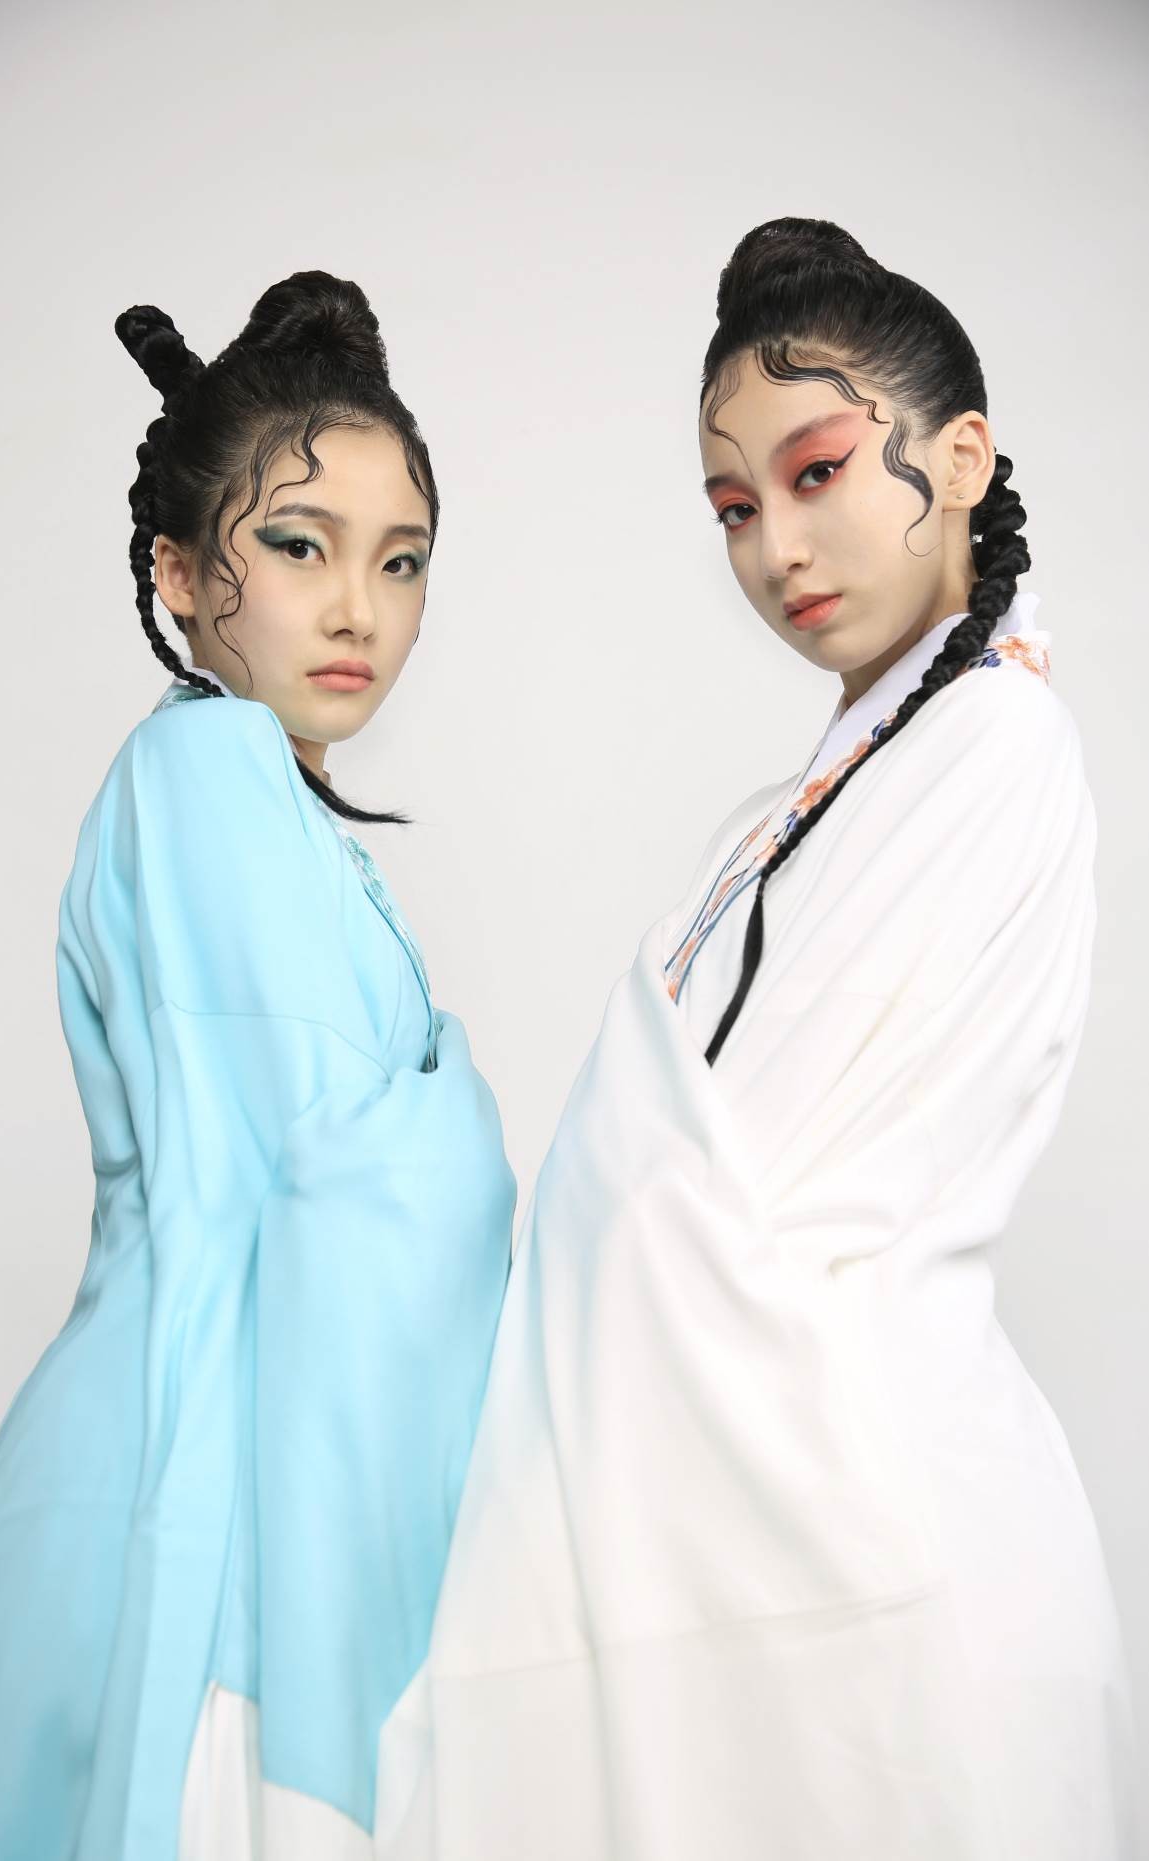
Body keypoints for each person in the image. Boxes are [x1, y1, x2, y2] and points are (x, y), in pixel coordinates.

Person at [372, 219, 1139, 1860]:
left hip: (878, 1544)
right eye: (734, 507)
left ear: (959, 456)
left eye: (816, 471)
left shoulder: (995, 748)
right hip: (774, 1536)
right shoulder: (794, 805)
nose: (775, 547)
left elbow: (743, 1188)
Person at [0, 271, 515, 1861]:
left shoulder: (261, 803)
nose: (359, 608)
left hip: (211, 1464)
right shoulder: (204, 769)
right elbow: (329, 1173)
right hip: (197, 1492)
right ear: (179, 568)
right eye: (297, 545)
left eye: (400, 560)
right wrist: (465, 1116)